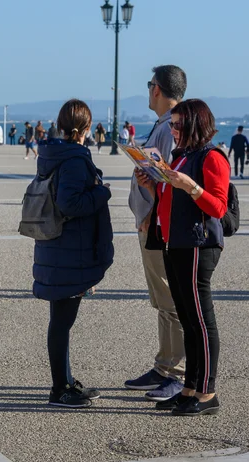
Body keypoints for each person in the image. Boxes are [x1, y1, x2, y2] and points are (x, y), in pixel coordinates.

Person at [135, 99, 229, 416]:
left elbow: (218, 207)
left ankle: (206, 393)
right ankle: (190, 387)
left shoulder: (211, 157)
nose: (172, 130)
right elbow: (169, 199)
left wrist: (191, 187)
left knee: (201, 321)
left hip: (198, 244)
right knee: (188, 320)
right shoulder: (181, 156)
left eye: (177, 124)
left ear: (194, 125)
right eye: (171, 123)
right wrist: (152, 186)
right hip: (175, 241)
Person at [32, 99, 114, 408]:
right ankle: (60, 388)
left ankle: (65, 379)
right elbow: (70, 204)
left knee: (60, 320)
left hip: (57, 248)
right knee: (62, 322)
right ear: (86, 129)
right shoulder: (75, 160)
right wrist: (101, 191)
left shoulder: (54, 155)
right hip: (69, 251)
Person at [125, 65, 188, 402]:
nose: (149, 90)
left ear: (157, 90)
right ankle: (165, 366)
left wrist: (149, 214)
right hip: (153, 221)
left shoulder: (170, 127)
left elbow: (171, 181)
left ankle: (176, 372)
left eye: (150, 85)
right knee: (163, 300)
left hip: (156, 225)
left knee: (170, 298)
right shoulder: (169, 124)